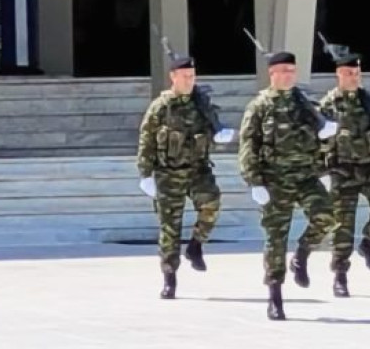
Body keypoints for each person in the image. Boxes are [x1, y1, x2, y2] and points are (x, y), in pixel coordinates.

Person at [238, 50, 339, 321]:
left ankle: (302, 254)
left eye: (291, 71)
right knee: (276, 239)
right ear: (272, 74)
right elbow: (248, 146)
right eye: (282, 71)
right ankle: (275, 296)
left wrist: (327, 138)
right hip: (275, 180)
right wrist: (254, 181)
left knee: (327, 216)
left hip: (305, 176)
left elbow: (323, 142)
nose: (287, 76)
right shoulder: (259, 107)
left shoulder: (305, 105)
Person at [136, 50, 230, 301]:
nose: (189, 81)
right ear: (173, 77)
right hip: (169, 173)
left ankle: (196, 245)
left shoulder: (202, 104)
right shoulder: (161, 107)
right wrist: (145, 173)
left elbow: (213, 125)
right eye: (185, 76)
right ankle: (170, 278)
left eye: (192, 76)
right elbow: (146, 140)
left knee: (212, 203)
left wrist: (220, 133)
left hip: (198, 170)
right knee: (170, 228)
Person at [317, 44, 370, 298]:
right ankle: (340, 274)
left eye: (357, 73)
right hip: (342, 169)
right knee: (343, 224)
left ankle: (369, 241)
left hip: (369, 165)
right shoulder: (328, 105)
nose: (354, 78)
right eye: (349, 73)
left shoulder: (369, 101)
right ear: (339, 75)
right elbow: (315, 140)